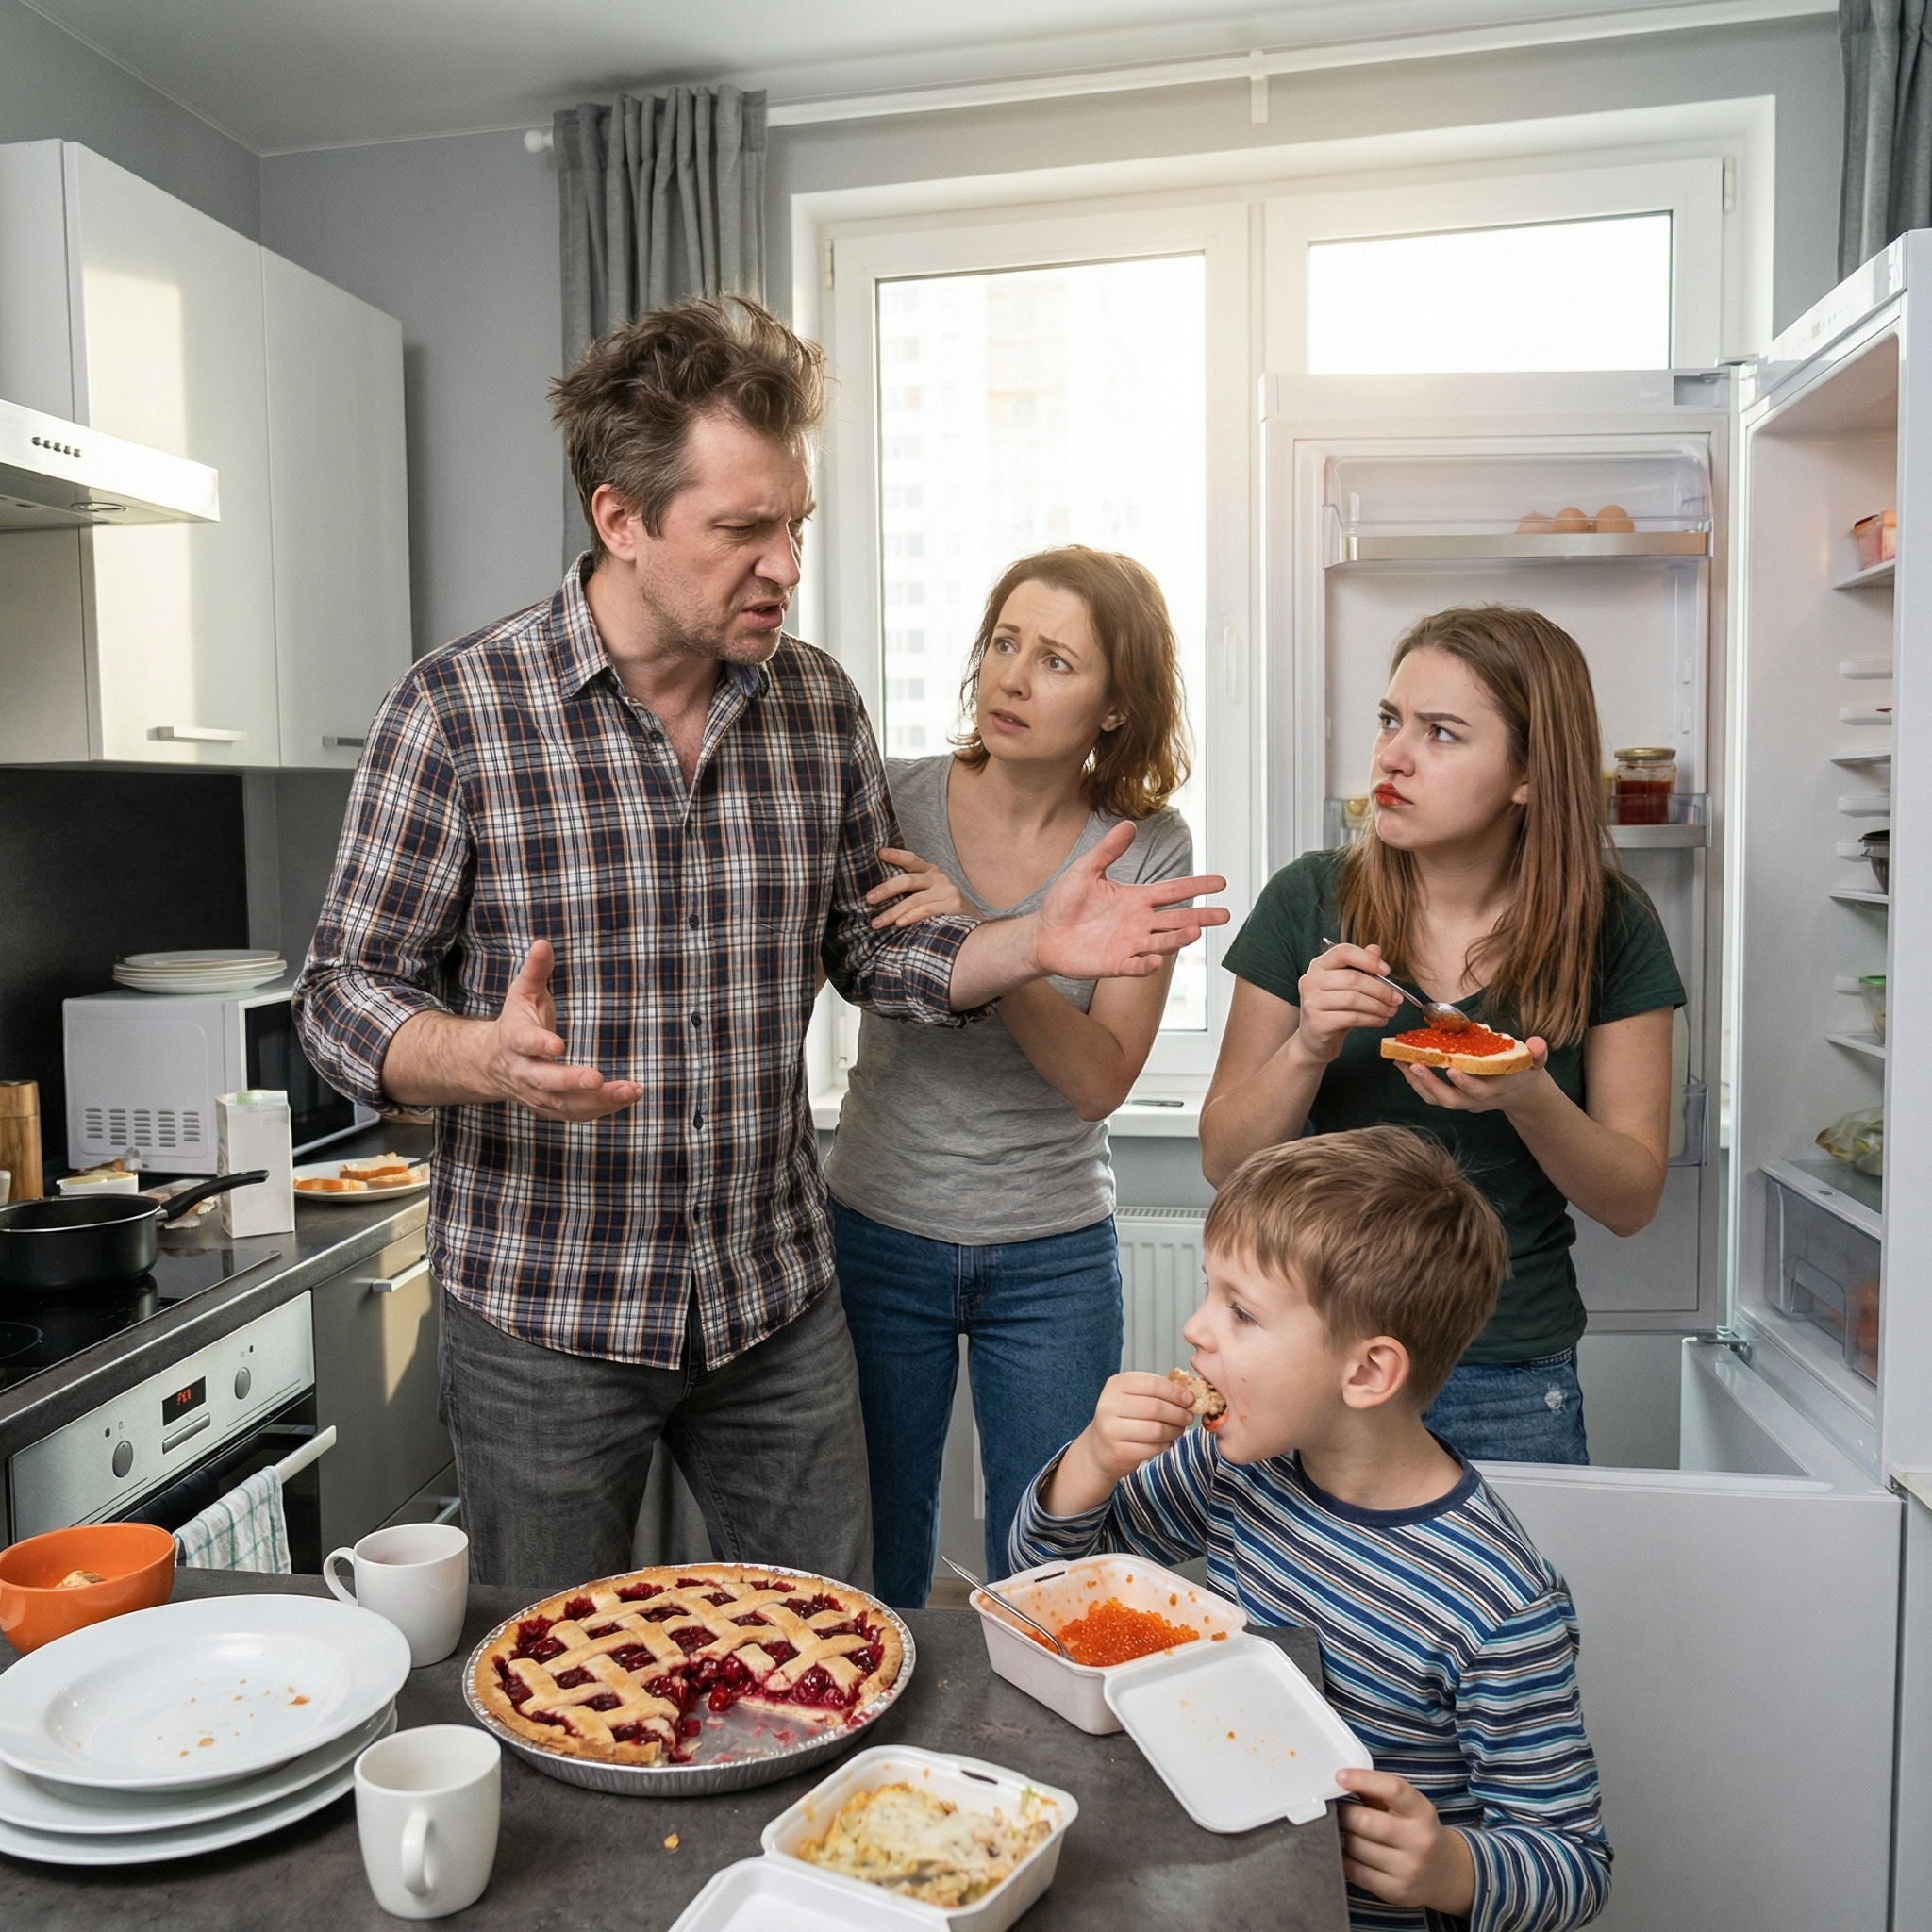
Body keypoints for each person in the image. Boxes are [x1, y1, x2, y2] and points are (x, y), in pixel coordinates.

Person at [293, 296, 1227, 1591]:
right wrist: (476, 1058)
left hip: (772, 1307)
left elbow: (873, 952)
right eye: (743, 530)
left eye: (796, 526)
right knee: (554, 1662)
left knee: (839, 1643)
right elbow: (338, 993)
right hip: (545, 1315)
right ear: (622, 519)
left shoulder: (816, 705)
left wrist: (1022, 942)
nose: (785, 565)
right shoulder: (459, 710)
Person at [1011, 1127, 1612, 1932]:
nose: (1196, 1329)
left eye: (1241, 1312)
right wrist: (1090, 1462)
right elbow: (1043, 1587)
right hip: (1226, 1881)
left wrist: (1450, 1869)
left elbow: (1575, 1863)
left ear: (1366, 1372)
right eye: (1209, 1292)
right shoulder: (1235, 1465)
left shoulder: (1497, 1605)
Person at [1199, 605, 1684, 1463]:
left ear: (1529, 774)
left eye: (1441, 733)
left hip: (1508, 1370)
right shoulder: (1308, 899)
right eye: (1390, 721)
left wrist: (1528, 1098)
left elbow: (1631, 1199)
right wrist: (1307, 1046)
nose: (1392, 755)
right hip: (1313, 1358)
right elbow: (1223, 1160)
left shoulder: (1612, 923)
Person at [824, 546, 1195, 1607]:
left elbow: (1098, 1081)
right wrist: (1013, 942)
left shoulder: (1143, 847)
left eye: (1056, 660)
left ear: (1116, 704)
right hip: (878, 1230)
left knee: (1052, 1571)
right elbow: (844, 968)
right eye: (1003, 643)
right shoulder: (892, 800)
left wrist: (990, 941)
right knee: (877, 1560)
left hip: (1051, 1256)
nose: (1012, 679)